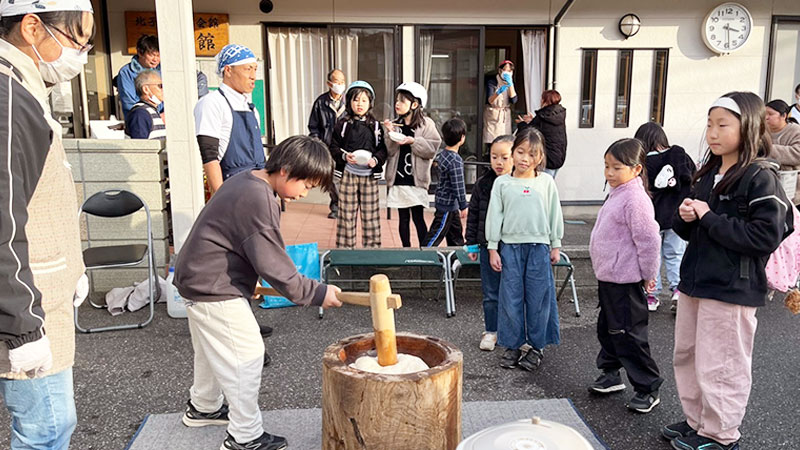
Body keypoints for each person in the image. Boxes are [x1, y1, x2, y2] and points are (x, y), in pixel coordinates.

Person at [174, 135, 342, 450]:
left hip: (199, 277)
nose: (306, 193)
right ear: (286, 170)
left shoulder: (247, 179)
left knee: (213, 352)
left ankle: (204, 407)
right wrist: (318, 293)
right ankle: (244, 436)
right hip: (213, 285)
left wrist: (246, 281)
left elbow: (235, 242)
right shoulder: (259, 198)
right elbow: (275, 267)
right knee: (246, 356)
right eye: (306, 184)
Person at [664, 92, 791, 450]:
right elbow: (689, 228)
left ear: (747, 126)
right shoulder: (709, 172)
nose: (713, 133)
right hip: (696, 281)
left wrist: (708, 216)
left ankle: (721, 435)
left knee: (721, 363)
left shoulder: (758, 176)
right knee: (688, 355)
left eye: (723, 125)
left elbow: (764, 235)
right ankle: (699, 423)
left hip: (732, 285)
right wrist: (686, 216)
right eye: (709, 124)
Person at [0, 2, 95, 448]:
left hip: (43, 289)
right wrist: (22, 325)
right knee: (46, 429)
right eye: (79, 41)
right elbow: (2, 219)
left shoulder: (24, 85)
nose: (83, 55)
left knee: (50, 425)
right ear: (32, 27)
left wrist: (72, 268)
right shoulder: (7, 98)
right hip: (27, 305)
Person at [587, 138, 663, 414]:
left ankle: (648, 386)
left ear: (636, 169)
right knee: (608, 328)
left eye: (616, 167)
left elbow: (649, 240)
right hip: (609, 277)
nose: (609, 173)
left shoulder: (634, 198)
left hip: (625, 279)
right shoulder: (618, 192)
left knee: (628, 334)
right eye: (606, 166)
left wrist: (648, 274)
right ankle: (610, 374)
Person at [486, 128, 563, 372]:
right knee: (510, 299)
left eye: (531, 154)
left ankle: (537, 347)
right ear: (513, 151)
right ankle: (513, 344)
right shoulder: (502, 183)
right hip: (509, 248)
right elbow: (494, 216)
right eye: (520, 152)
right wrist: (492, 247)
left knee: (539, 299)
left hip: (539, 247)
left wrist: (556, 244)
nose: (524, 159)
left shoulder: (546, 182)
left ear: (540, 158)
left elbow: (554, 213)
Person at [636, 122, 696, 313]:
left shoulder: (642, 162)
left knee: (653, 256)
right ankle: (678, 290)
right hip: (677, 216)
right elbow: (693, 178)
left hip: (652, 216)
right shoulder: (680, 156)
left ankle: (652, 295)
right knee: (675, 253)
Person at [195, 44, 265, 196]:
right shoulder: (211, 103)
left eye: (255, 69)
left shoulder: (252, 109)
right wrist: (220, 199)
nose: (253, 75)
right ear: (228, 70)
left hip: (259, 186)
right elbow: (209, 156)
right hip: (233, 188)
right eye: (247, 69)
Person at [465, 135, 514, 351]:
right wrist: (472, 245)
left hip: (514, 246)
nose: (499, 162)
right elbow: (474, 214)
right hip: (487, 246)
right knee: (491, 292)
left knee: (514, 292)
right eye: (494, 157)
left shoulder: (520, 183)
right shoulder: (483, 183)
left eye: (505, 157)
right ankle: (491, 331)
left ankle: (513, 332)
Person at [331, 81, 387, 248]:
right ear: (349, 102)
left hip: (369, 176)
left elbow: (383, 149)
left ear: (370, 103)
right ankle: (344, 250)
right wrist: (343, 156)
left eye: (364, 100)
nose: (360, 104)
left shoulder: (376, 126)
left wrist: (375, 160)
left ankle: (372, 250)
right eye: (356, 100)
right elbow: (333, 146)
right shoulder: (342, 124)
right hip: (348, 175)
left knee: (371, 215)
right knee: (346, 214)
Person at [384, 82, 440, 247]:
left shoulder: (426, 124)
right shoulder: (395, 124)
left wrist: (414, 141)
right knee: (403, 218)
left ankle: (425, 250)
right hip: (399, 179)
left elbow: (432, 148)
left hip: (416, 181)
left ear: (415, 104)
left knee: (418, 217)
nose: (397, 104)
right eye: (397, 100)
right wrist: (389, 132)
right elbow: (390, 150)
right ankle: (406, 250)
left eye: (402, 101)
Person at [423, 117, 468, 247]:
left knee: (456, 235)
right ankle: (423, 255)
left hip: (446, 203)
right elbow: (458, 186)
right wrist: (463, 205)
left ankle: (457, 257)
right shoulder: (456, 160)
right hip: (447, 205)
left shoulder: (442, 154)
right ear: (462, 138)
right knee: (436, 233)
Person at [308, 69, 346, 219]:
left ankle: (346, 205)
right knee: (332, 179)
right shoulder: (321, 102)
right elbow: (313, 126)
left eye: (342, 82)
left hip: (345, 148)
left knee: (345, 178)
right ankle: (336, 206)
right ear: (329, 83)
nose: (340, 85)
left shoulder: (348, 102)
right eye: (337, 82)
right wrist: (319, 144)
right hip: (327, 147)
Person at [517, 89, 567, 178]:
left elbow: (528, 132)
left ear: (544, 100)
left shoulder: (543, 116)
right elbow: (545, 129)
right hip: (559, 157)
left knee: (542, 187)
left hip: (548, 159)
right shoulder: (558, 114)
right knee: (549, 185)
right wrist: (533, 121)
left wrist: (521, 123)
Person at [765, 99, 800, 206]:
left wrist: (768, 149)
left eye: (770, 114)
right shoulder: (762, 132)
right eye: (764, 114)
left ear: (783, 116)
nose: (766, 117)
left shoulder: (796, 131)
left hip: (792, 186)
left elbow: (797, 153)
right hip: (768, 184)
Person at [117, 34, 160, 119]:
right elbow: (129, 103)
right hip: (140, 119)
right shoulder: (126, 72)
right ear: (140, 53)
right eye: (152, 55)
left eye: (158, 55)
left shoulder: (161, 70)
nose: (155, 59)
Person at [483, 60, 517, 159]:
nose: (507, 72)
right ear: (500, 70)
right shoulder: (492, 82)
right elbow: (489, 100)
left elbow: (514, 100)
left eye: (510, 71)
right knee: (492, 143)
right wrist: (498, 92)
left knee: (505, 143)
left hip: (504, 115)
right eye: (505, 70)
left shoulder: (510, 82)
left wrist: (510, 84)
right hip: (493, 114)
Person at [125, 69, 165, 140]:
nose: (164, 89)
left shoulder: (152, 110)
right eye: (160, 86)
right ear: (146, 89)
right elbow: (140, 146)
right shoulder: (140, 113)